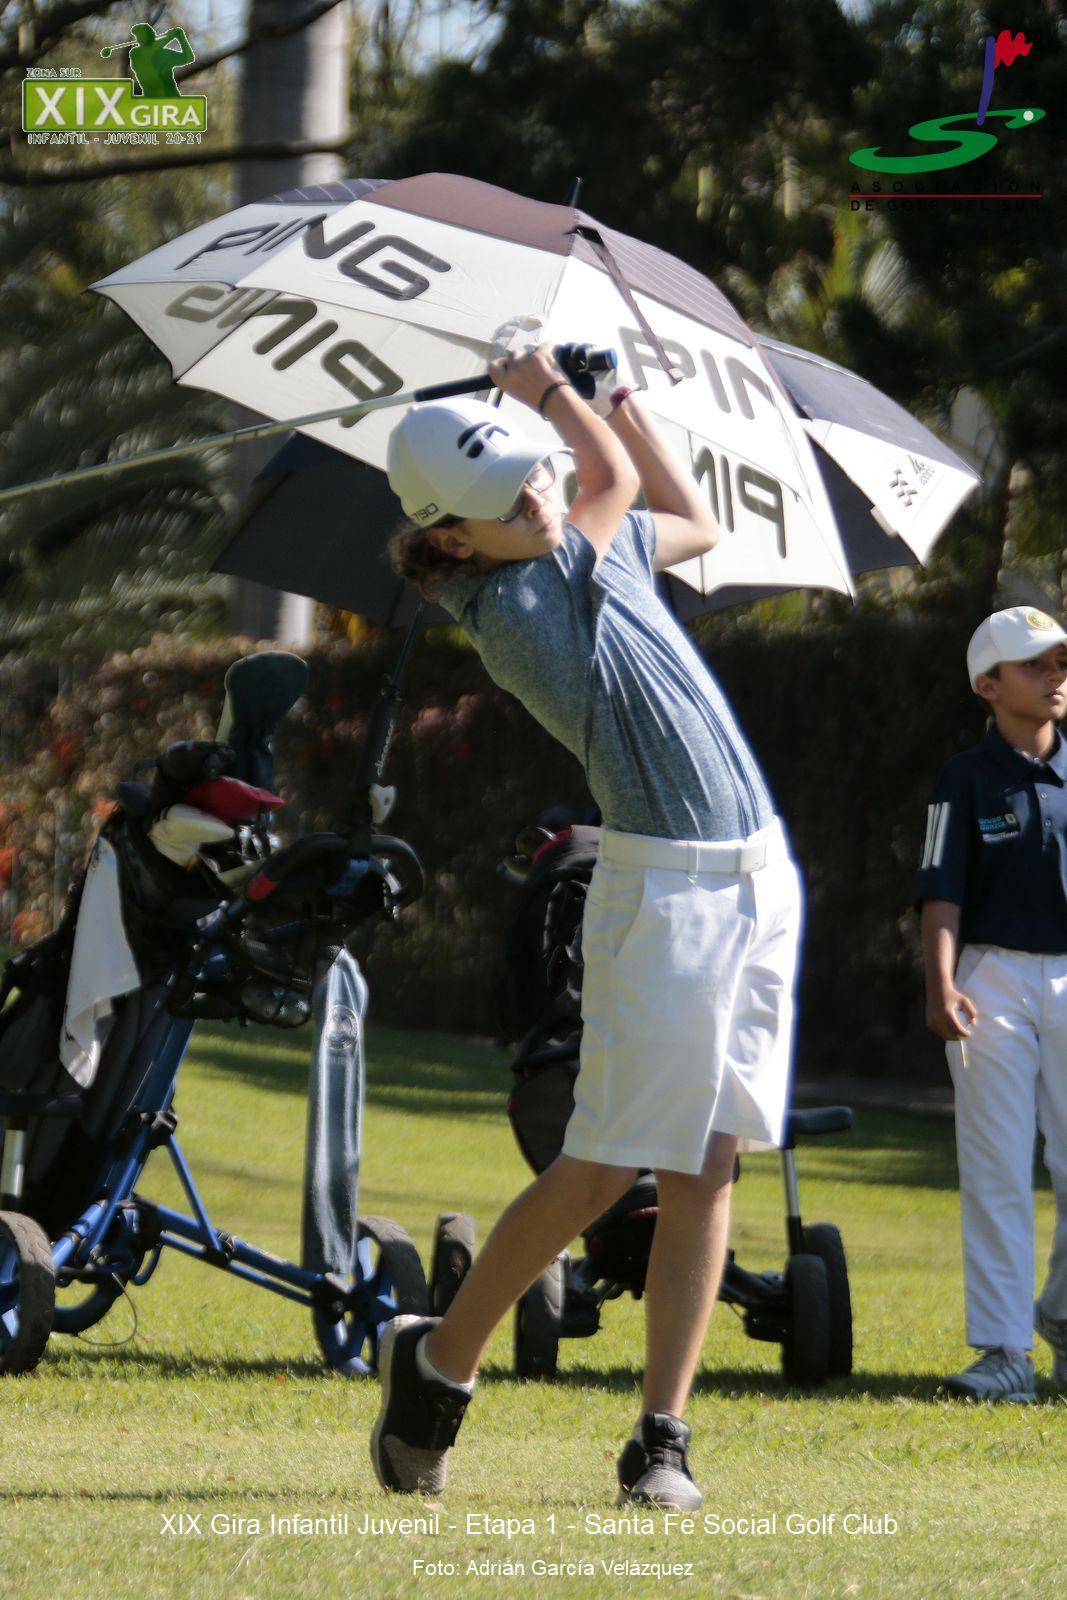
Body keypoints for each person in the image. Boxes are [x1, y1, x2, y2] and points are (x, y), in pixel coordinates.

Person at [375, 343, 802, 1506]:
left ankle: (661, 1434)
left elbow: (691, 519)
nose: (535, 490)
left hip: (757, 875)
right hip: (665, 894)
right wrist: (553, 393)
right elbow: (606, 479)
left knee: (708, 1160)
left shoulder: (566, 551)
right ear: (451, 542)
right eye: (506, 492)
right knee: (604, 1165)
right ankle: (438, 1364)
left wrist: (614, 397)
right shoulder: (521, 597)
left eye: (530, 471)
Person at [916, 606, 1067, 1402]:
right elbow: (938, 890)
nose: (1054, 676)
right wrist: (940, 984)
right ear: (987, 684)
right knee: (997, 1167)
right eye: (1033, 664)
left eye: (1059, 662)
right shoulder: (962, 779)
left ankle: (1062, 1319)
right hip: (990, 983)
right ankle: (1006, 1353)